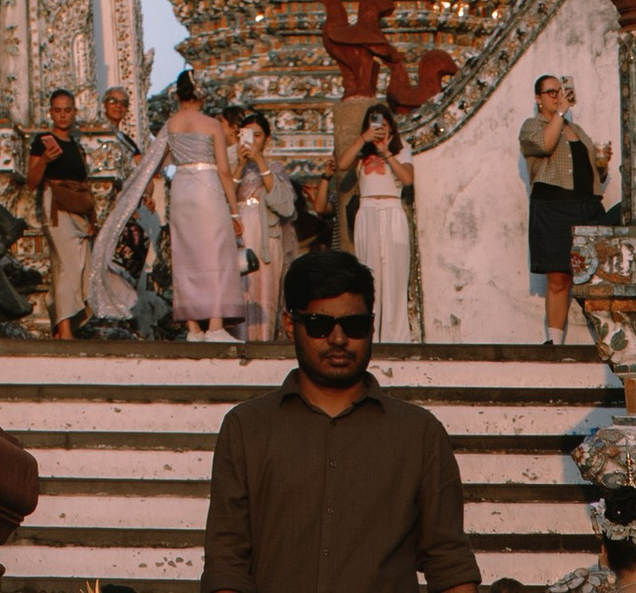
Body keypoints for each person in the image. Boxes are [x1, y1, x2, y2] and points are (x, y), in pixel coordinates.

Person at [199, 248, 481, 593]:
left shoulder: (418, 434)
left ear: (372, 326)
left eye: (354, 325)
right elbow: (227, 562)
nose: (338, 339)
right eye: (319, 325)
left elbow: (449, 561)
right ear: (290, 325)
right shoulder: (247, 429)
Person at [519, 72, 614, 352]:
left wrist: (603, 164)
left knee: (596, 276)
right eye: (550, 92)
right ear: (538, 98)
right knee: (559, 277)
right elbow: (545, 145)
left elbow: (592, 172)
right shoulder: (532, 127)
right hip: (553, 208)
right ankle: (555, 342)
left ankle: (610, 342)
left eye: (559, 90)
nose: (556, 95)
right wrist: (560, 112)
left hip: (586, 207)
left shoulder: (577, 129)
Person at [165, 70, 247, 342]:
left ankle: (193, 329)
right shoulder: (211, 124)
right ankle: (214, 325)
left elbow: (163, 162)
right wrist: (234, 210)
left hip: (180, 190)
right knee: (217, 253)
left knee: (186, 256)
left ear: (178, 94)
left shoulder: (171, 124)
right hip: (206, 188)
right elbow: (224, 170)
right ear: (200, 94)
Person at [25, 87, 100, 339]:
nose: (63, 115)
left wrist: (92, 218)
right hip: (55, 207)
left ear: (74, 112)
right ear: (51, 112)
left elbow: (84, 184)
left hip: (78, 211)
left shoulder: (77, 147)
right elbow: (32, 181)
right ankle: (65, 328)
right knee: (68, 265)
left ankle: (62, 326)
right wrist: (45, 160)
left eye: (67, 110)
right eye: (57, 110)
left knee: (77, 267)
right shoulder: (43, 141)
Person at [343, 102, 418, 347]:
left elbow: (407, 179)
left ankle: (396, 337)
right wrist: (363, 140)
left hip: (392, 211)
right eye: (375, 125)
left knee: (395, 275)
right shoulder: (361, 153)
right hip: (367, 212)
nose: (379, 130)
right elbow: (343, 164)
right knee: (369, 273)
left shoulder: (401, 149)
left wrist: (386, 152)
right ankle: (369, 334)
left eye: (384, 125)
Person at [231, 110, 297, 353]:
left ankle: (266, 347)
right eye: (247, 135)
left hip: (267, 240)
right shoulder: (234, 168)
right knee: (241, 292)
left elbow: (284, 204)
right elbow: (226, 197)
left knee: (266, 292)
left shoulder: (275, 169)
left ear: (266, 139)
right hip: (240, 237)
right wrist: (239, 165)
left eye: (257, 136)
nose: (252, 141)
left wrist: (260, 161)